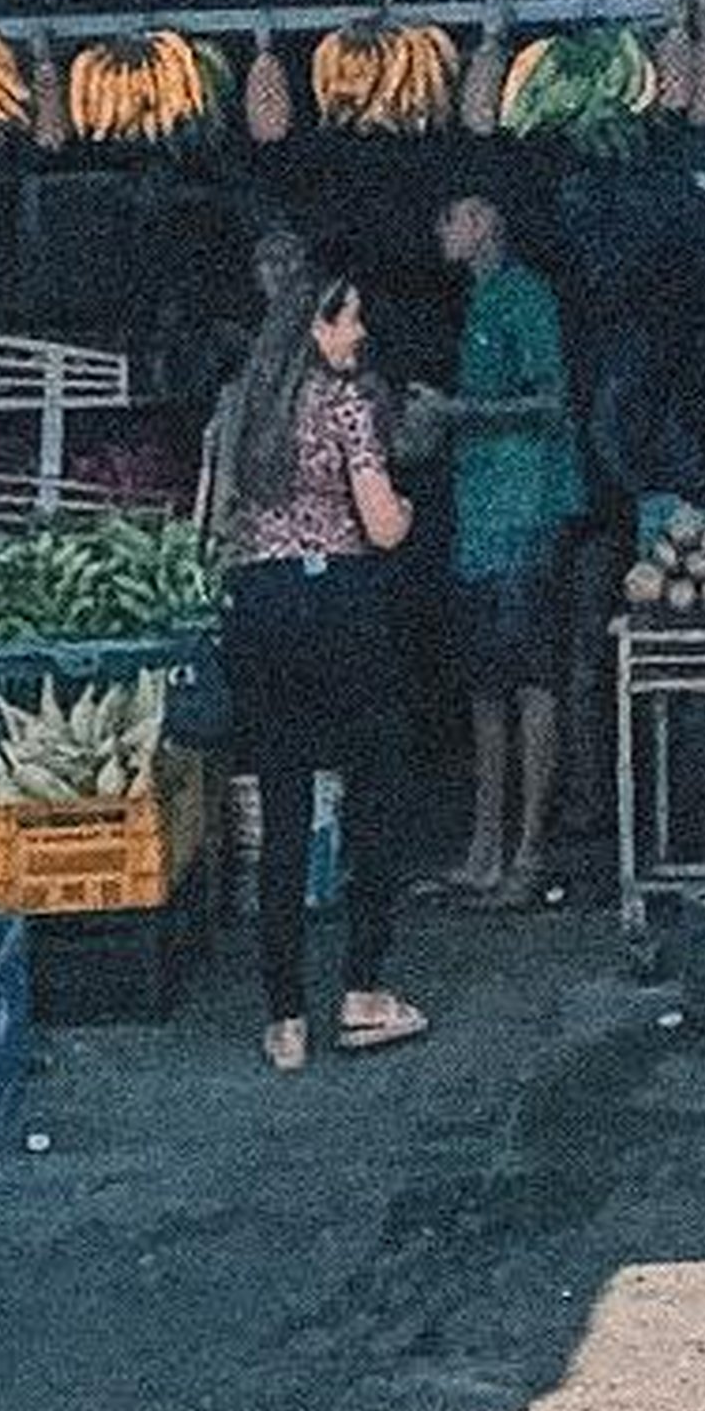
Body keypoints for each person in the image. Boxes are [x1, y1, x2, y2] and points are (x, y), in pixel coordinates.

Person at [211, 260, 425, 1073]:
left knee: (283, 808)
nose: (359, 333)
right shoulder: (347, 405)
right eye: (348, 320)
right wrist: (404, 509)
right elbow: (382, 527)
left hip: (259, 607)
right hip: (335, 605)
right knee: (376, 794)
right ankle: (363, 993)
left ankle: (285, 1020)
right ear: (315, 326)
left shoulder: (249, 407)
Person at [435, 185, 586, 905]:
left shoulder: (525, 297)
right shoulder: (479, 303)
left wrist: (459, 411)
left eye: (454, 217)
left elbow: (553, 400)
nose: (442, 230)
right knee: (482, 687)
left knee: (532, 681)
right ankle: (483, 847)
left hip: (529, 511)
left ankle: (527, 852)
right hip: (481, 517)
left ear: (488, 222)